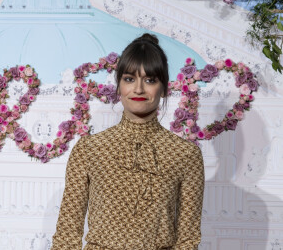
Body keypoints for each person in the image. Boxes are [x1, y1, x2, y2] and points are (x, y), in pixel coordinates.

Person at [51, 33, 205, 250]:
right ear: (119, 86)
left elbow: (187, 241)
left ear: (164, 88)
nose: (139, 89)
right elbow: (66, 235)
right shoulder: (89, 149)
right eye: (129, 79)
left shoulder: (186, 155)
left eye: (150, 80)